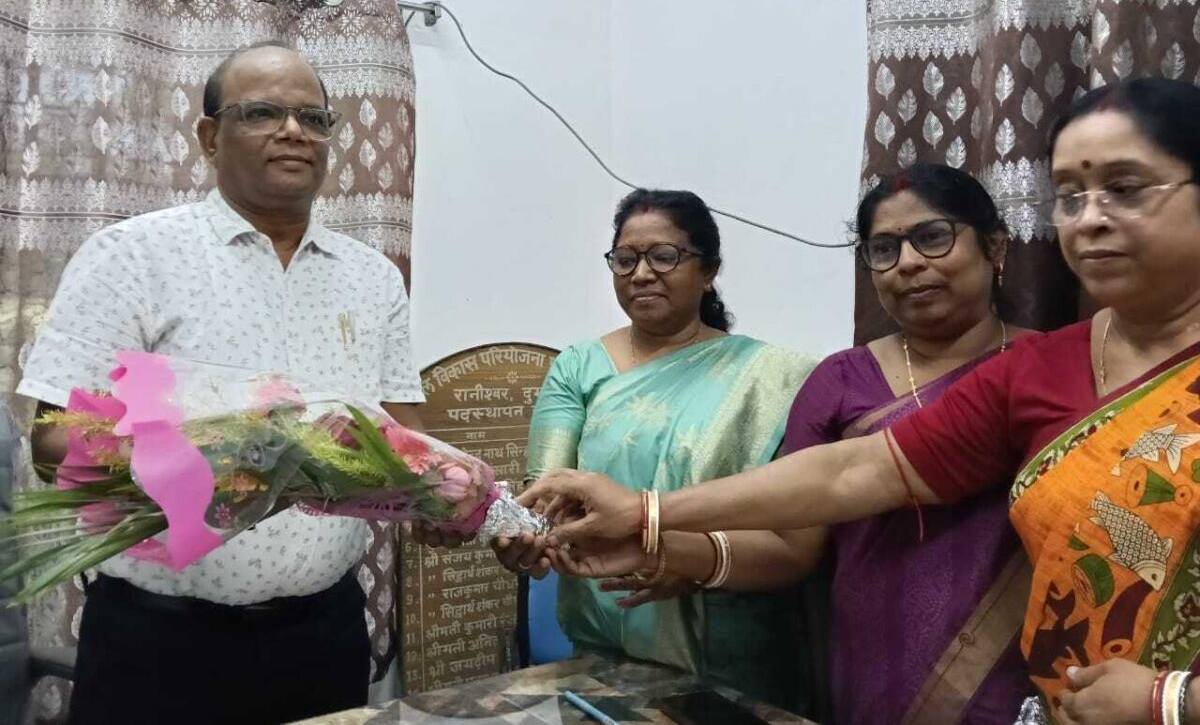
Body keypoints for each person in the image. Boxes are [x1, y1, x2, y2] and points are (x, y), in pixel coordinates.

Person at [523, 79, 1200, 724]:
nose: (1091, 219)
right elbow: (860, 472)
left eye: (1125, 188)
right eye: (1070, 196)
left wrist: (1171, 701)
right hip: (960, 687)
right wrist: (646, 515)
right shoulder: (1041, 369)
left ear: (994, 247)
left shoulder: (1018, 356)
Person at [19, 42, 426, 725]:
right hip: (160, 642)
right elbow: (56, 444)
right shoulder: (134, 255)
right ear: (210, 137)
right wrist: (234, 461)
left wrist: (445, 500)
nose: (294, 131)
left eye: (314, 118)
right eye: (262, 113)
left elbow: (406, 434)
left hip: (323, 635)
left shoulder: (372, 276)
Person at [494, 188, 818, 711]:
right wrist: (525, 540)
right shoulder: (578, 367)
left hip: (727, 646)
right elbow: (546, 497)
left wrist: (681, 555)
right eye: (625, 259)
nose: (641, 273)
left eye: (664, 256)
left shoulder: (770, 379)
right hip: (604, 644)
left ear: (708, 270)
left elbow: (789, 529)